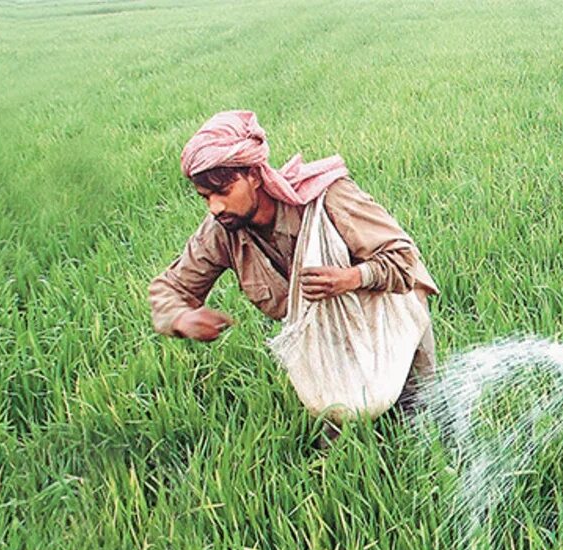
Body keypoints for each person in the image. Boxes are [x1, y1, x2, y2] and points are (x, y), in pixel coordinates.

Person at [149, 110, 438, 409]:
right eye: (205, 197)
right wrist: (182, 318)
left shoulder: (326, 199)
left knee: (418, 412)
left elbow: (403, 259)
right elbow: (169, 289)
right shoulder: (223, 230)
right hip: (327, 335)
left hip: (390, 316)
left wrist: (351, 278)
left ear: (254, 176)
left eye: (223, 191)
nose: (215, 207)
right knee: (337, 424)